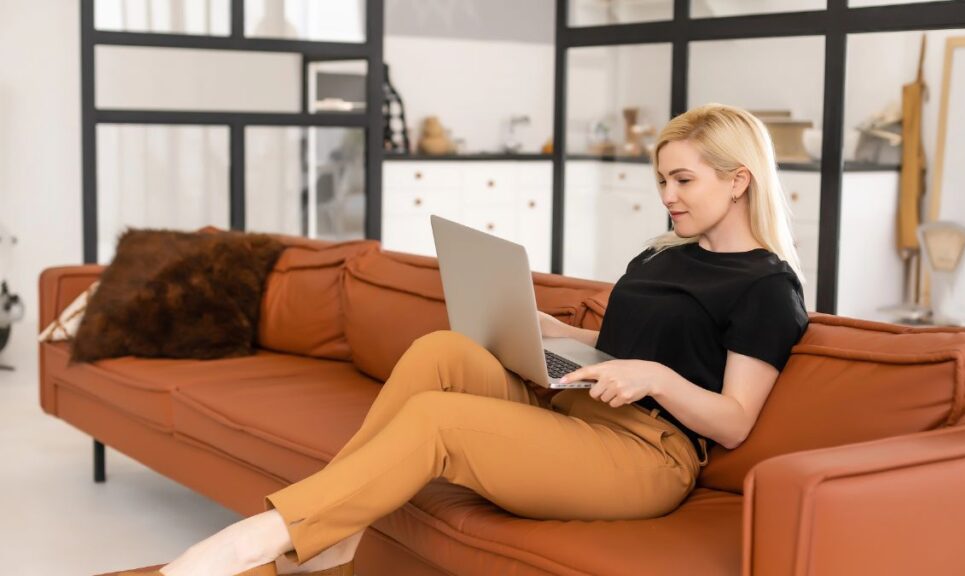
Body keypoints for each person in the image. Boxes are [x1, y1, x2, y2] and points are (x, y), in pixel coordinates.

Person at [137, 103, 809, 576]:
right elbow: (630, 342)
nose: (668, 195)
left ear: (738, 179)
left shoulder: (765, 288)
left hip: (644, 454)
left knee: (438, 421)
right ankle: (334, 542)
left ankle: (253, 542)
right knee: (444, 350)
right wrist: (555, 330)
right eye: (662, 179)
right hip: (577, 406)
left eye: (683, 180)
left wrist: (655, 379)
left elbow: (735, 420)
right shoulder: (663, 255)